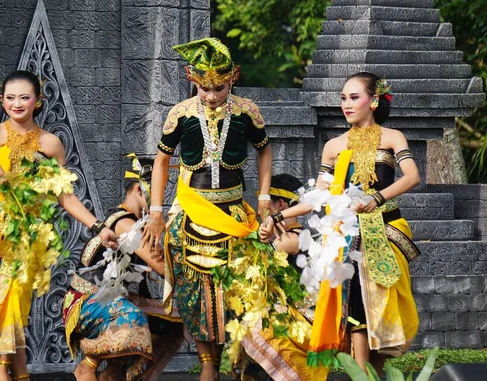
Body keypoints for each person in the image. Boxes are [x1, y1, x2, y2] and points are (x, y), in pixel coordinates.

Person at [0, 70, 118, 381]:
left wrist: (98, 226)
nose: (17, 103)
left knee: (12, 296)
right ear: (2, 101)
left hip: (30, 232)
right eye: (10, 98)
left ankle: (3, 371)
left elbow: (65, 196)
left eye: (24, 97)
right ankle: (13, 371)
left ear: (38, 101)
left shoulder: (50, 144)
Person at [269, 72, 420, 375]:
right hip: (346, 238)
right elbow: (317, 198)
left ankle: (370, 375)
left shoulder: (392, 138)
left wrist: (376, 199)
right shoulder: (334, 146)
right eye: (343, 98)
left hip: (385, 234)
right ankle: (361, 375)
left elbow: (412, 176)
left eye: (354, 97)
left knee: (381, 315)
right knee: (355, 310)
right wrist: (279, 216)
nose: (347, 105)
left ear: (374, 100)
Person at [143, 37, 272, 381]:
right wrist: (156, 211)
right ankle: (207, 362)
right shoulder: (180, 114)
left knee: (239, 289)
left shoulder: (247, 111)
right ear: (191, 78)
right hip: (192, 213)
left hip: (233, 213)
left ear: (234, 77)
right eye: (205, 88)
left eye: (220, 87)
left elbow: (264, 151)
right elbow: (161, 161)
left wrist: (263, 198)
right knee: (194, 287)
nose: (213, 95)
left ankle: (240, 358)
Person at [63, 155, 184, 381]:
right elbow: (161, 267)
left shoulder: (139, 224)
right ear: (140, 189)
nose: (160, 198)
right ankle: (88, 364)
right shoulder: (124, 223)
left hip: (115, 299)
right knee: (133, 319)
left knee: (172, 320)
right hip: (87, 301)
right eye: (157, 189)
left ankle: (113, 371)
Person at [234, 173, 328, 381]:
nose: (261, 211)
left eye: (267, 205)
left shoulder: (290, 238)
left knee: (258, 323)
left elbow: (253, 268)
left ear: (281, 206)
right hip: (285, 310)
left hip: (301, 318)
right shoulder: (286, 235)